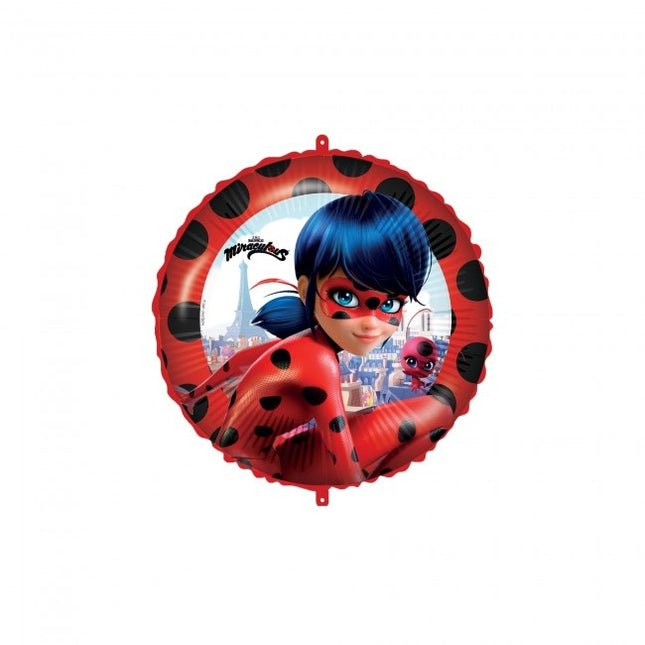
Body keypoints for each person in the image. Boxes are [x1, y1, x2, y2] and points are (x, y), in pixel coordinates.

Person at [182, 191, 454, 485]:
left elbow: (241, 360)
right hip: (263, 466)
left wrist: (196, 395)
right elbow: (341, 453)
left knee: (429, 413)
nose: (370, 323)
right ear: (305, 290)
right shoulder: (319, 360)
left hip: (263, 457)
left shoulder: (301, 343)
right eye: (346, 297)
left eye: (390, 304)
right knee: (437, 413)